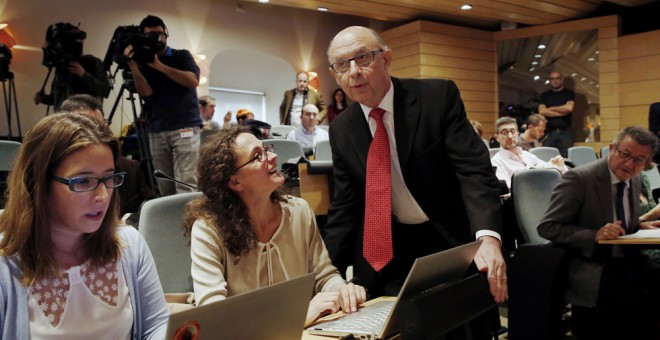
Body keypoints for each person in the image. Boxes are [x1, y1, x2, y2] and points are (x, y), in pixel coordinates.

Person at [324, 26, 507, 309]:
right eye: (341, 64)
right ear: (335, 74)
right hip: (388, 247)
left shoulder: (436, 97)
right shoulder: (340, 129)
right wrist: (327, 275)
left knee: (464, 322)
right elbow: (345, 206)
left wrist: (488, 238)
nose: (354, 71)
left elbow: (474, 171)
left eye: (363, 57)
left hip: (449, 237)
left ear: (386, 59)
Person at [0, 113, 168, 338]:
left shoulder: (129, 244)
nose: (102, 196)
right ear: (38, 184)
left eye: (109, 178)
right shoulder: (6, 266)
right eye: (82, 181)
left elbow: (156, 324)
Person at [183, 126, 366, 327]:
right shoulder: (208, 230)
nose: (272, 156)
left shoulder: (299, 210)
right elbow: (215, 317)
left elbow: (325, 276)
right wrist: (296, 317)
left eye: (266, 149)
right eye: (257, 156)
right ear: (235, 182)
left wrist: (342, 291)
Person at [538, 126, 660, 338]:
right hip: (591, 264)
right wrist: (594, 235)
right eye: (625, 155)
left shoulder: (635, 179)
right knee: (635, 300)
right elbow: (548, 227)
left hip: (627, 259)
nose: (630, 164)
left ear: (647, 163)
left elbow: (621, 222)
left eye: (639, 160)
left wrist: (640, 225)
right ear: (612, 149)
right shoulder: (580, 179)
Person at [124, 15, 201, 196]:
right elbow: (146, 94)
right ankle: (169, 222)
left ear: (166, 34)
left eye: (159, 34)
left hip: (184, 127)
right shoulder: (142, 63)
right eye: (150, 35)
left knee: (186, 184)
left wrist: (159, 66)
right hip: (157, 129)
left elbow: (192, 80)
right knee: (164, 185)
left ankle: (188, 224)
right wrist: (134, 66)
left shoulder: (181, 55)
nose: (156, 39)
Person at [59, 94, 157, 217]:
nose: (95, 134)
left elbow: (150, 209)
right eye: (86, 128)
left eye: (100, 126)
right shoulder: (54, 173)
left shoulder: (130, 169)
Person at [34, 23, 110, 111]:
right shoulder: (62, 66)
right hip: (63, 120)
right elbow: (59, 99)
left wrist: (84, 74)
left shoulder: (93, 62)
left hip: (87, 119)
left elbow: (104, 90)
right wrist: (44, 99)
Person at [491, 117, 568, 189]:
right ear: (497, 137)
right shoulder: (497, 161)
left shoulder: (527, 155)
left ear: (517, 134)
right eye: (505, 132)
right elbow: (507, 188)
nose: (510, 136)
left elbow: (546, 168)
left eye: (512, 131)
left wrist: (557, 165)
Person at [538, 71, 575, 157]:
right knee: (547, 158)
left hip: (566, 132)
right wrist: (563, 112)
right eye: (552, 79)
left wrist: (550, 108)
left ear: (561, 80)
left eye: (557, 78)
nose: (555, 81)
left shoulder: (569, 93)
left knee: (566, 159)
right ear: (550, 81)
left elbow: (569, 108)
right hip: (549, 133)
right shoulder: (544, 95)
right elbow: (542, 111)